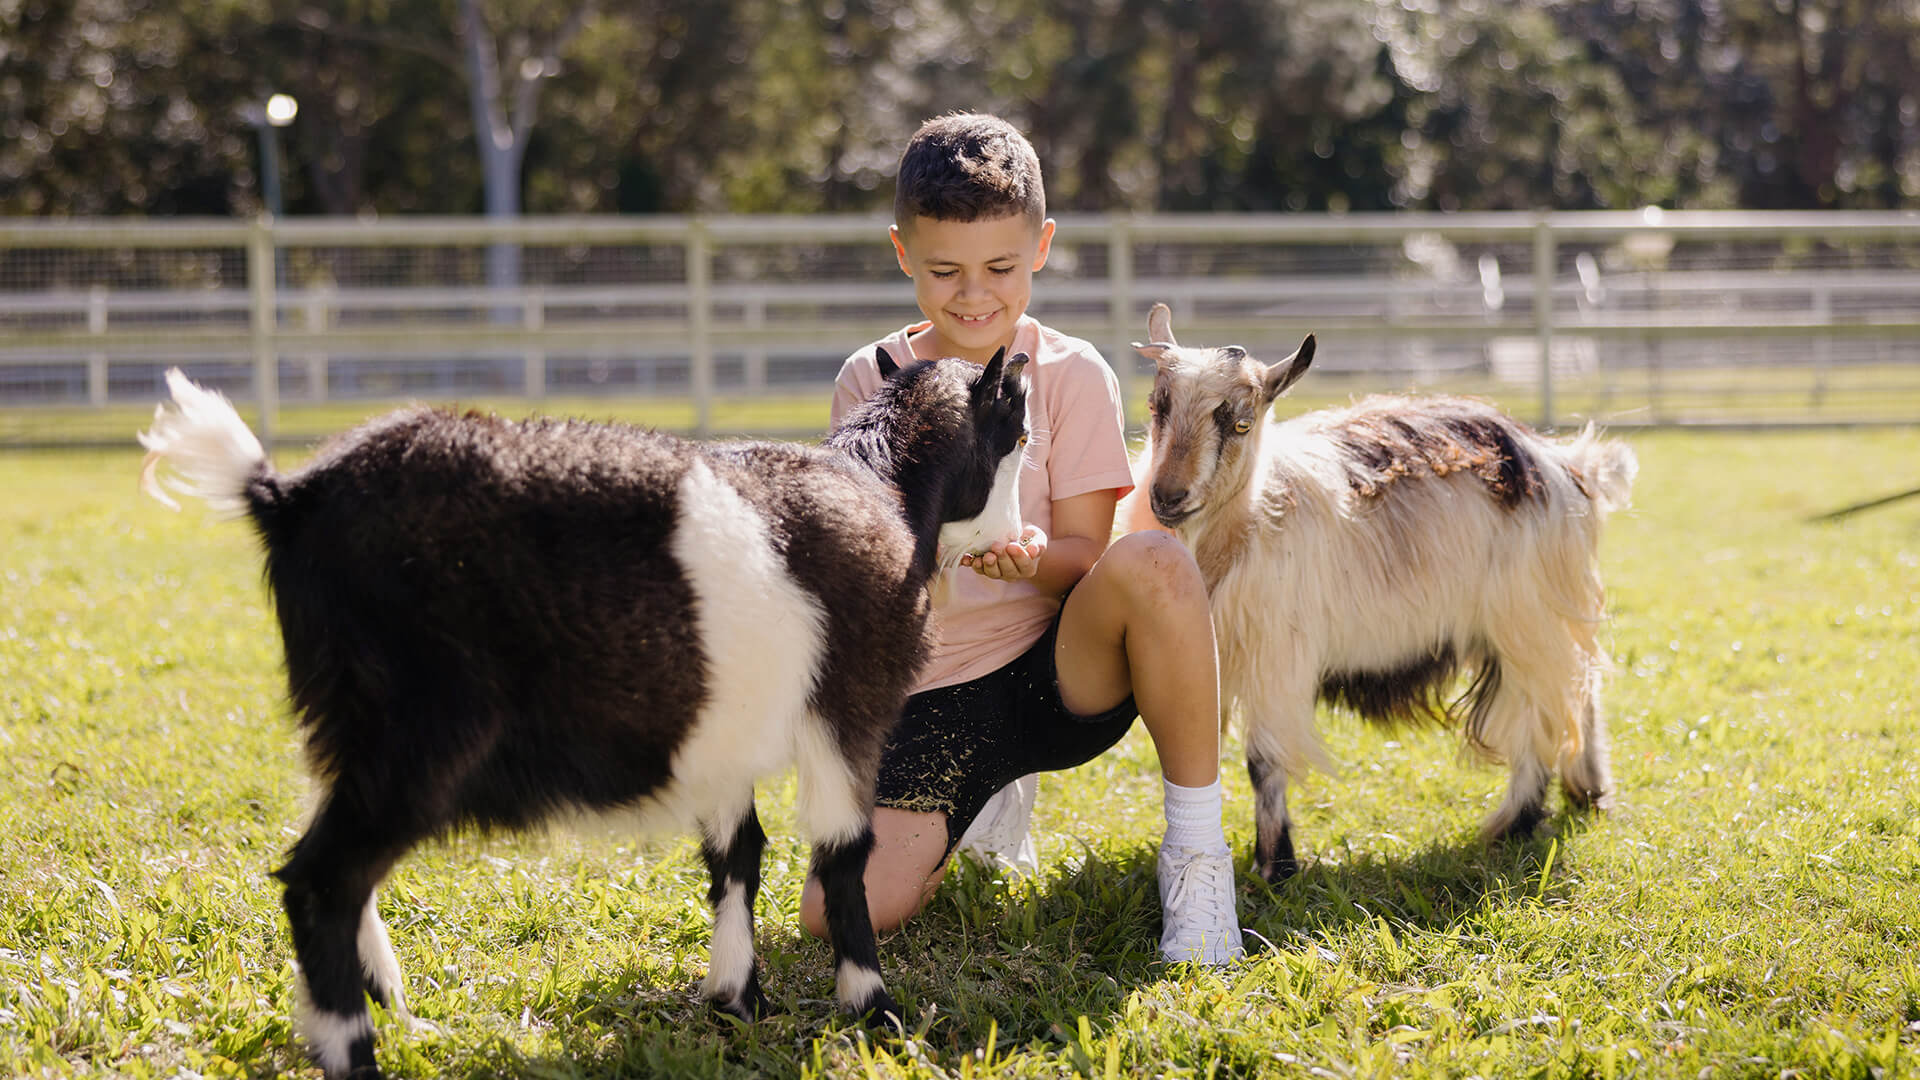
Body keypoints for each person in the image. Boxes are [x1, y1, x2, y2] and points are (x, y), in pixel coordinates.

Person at [797, 112, 1243, 965]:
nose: (974, 295)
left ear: (1040, 246)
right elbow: (860, 572)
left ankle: (1195, 854)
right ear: (902, 254)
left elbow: (1085, 553)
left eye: (1000, 267)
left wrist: (1032, 560)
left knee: (1151, 559)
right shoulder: (870, 378)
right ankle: (972, 808)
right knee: (835, 914)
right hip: (931, 698)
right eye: (944, 270)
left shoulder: (1073, 374)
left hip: (1055, 675)